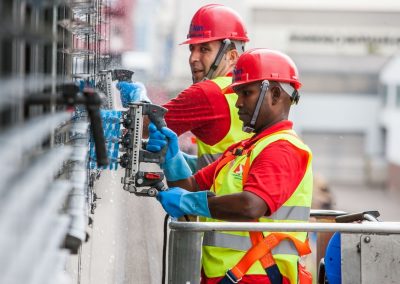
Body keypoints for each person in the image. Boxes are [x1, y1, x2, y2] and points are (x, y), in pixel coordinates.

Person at [147, 49, 314, 283]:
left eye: (246, 93)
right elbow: (191, 185)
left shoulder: (284, 149)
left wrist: (189, 202)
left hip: (259, 276)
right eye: (237, 94)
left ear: (275, 94)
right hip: (228, 277)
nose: (238, 103)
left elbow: (250, 206)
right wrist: (171, 158)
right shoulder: (243, 150)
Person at [117, 4, 253, 171]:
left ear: (232, 56)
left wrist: (138, 98)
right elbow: (230, 160)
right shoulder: (252, 89)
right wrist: (189, 161)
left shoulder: (207, 93)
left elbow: (140, 128)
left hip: (218, 196)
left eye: (204, 49)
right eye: (192, 49)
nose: (193, 58)